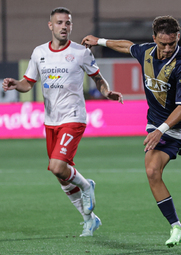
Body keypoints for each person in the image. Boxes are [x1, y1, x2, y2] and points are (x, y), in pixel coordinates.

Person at [82, 15, 181, 247]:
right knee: (152, 171)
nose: (168, 48)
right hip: (159, 126)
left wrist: (160, 130)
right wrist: (99, 40)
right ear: (154, 39)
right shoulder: (146, 52)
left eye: (172, 43)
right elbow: (126, 45)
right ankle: (176, 227)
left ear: (178, 38)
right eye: (163, 44)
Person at [2, 7, 123, 237]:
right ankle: (89, 220)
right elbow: (28, 83)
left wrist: (107, 92)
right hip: (51, 121)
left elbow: (97, 77)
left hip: (73, 117)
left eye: (68, 23)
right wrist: (15, 83)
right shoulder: (39, 53)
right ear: (51, 26)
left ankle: (87, 185)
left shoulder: (80, 52)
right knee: (61, 175)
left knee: (57, 166)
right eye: (59, 23)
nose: (64, 27)